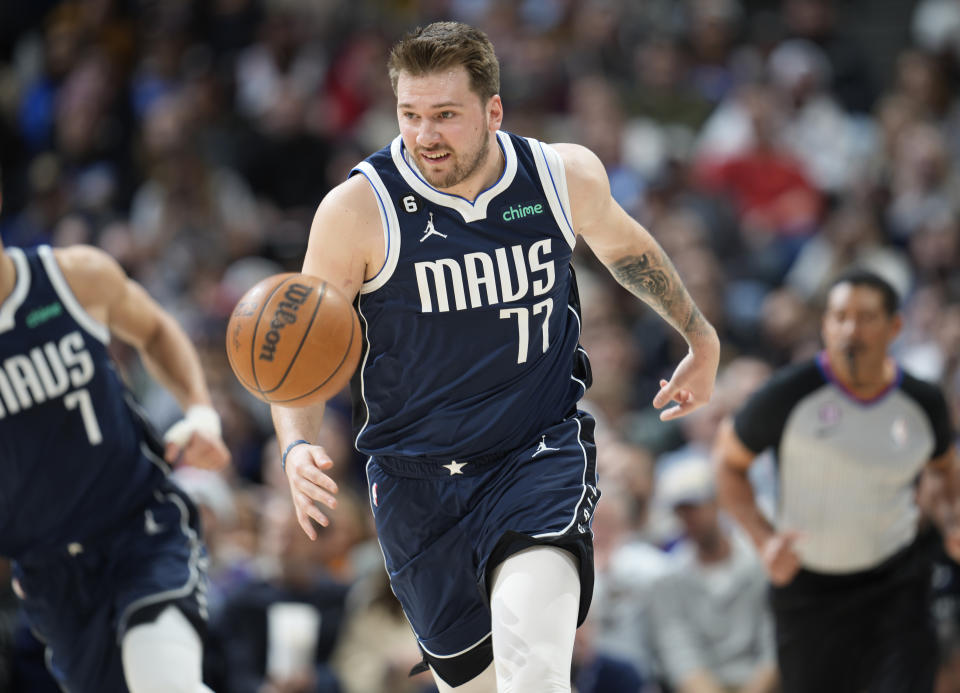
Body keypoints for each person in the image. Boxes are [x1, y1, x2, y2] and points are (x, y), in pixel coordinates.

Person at [272, 21, 720, 693]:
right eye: (410, 115)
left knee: (533, 669)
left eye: (446, 115)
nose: (425, 135)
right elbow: (301, 348)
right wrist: (296, 445)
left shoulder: (557, 175)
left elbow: (626, 248)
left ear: (493, 111)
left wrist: (700, 335)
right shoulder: (358, 210)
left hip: (534, 454)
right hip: (416, 483)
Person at [0, 182, 231, 691]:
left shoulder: (70, 277)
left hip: (138, 528)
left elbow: (153, 329)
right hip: (51, 578)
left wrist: (200, 411)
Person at [714, 269, 959, 693]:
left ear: (894, 326)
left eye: (865, 317)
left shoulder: (923, 402)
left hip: (898, 584)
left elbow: (944, 470)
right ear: (825, 324)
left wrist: (952, 520)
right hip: (808, 591)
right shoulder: (787, 394)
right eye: (840, 316)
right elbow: (728, 465)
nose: (851, 329)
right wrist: (762, 538)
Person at [649, 455, 778, 693]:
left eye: (694, 507)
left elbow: (774, 645)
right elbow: (680, 655)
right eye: (681, 511)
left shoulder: (761, 565)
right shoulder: (668, 580)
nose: (689, 518)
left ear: (716, 502)